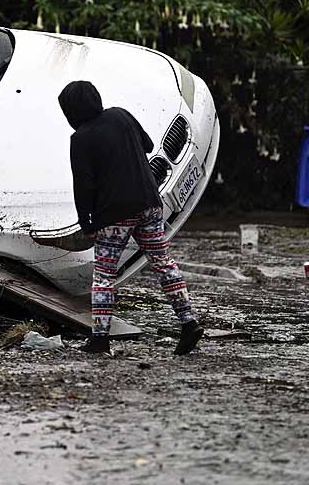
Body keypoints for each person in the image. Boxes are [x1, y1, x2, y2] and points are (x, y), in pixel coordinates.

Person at [58, 80, 203, 356]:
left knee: (103, 275)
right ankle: (188, 323)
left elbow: (83, 185)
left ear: (70, 112)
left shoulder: (80, 139)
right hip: (148, 203)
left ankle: (100, 338)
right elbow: (147, 145)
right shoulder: (120, 115)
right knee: (163, 263)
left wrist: (86, 223)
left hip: (113, 215)